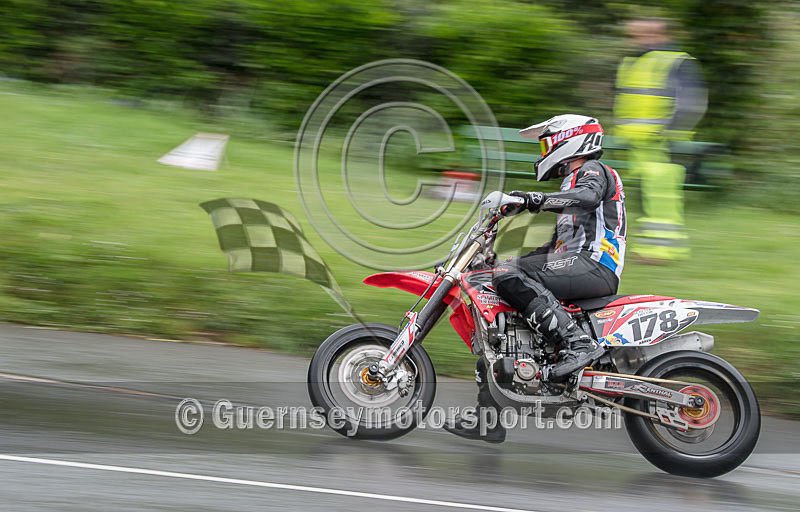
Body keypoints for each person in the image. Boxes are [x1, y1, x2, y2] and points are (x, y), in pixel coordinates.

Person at [445, 114, 627, 443]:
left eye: (548, 142)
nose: (545, 151)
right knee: (496, 285)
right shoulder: (570, 184)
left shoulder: (592, 172)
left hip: (593, 264)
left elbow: (587, 198)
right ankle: (488, 418)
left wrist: (531, 200)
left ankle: (577, 344)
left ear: (570, 140)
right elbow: (555, 248)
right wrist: (501, 262)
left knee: (507, 275)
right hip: (575, 261)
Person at [614, 17, 707, 262]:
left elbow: (692, 104)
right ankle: (652, 249)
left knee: (662, 201)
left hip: (663, 145)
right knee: (651, 200)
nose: (636, 40)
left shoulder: (677, 62)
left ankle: (662, 251)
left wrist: (668, 133)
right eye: (633, 35)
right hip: (640, 146)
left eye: (644, 34)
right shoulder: (634, 62)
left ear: (662, 35)